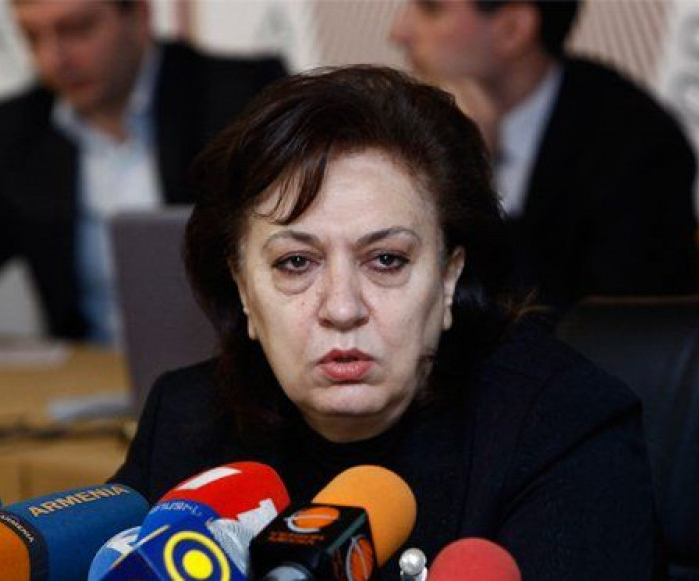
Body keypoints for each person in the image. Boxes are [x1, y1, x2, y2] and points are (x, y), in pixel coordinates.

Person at [112, 66, 657, 579]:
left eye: (387, 260)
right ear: (243, 290)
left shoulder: (561, 429)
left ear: (448, 278)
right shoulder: (185, 423)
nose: (342, 308)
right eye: (296, 263)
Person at [0, 0, 285, 343]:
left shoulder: (241, 97)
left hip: (234, 358)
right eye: (32, 37)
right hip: (91, 367)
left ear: (140, 16)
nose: (54, 58)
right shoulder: (15, 131)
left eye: (77, 29)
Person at [390, 0, 699, 310]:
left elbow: (604, 327)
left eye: (431, 9)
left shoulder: (640, 148)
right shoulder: (402, 123)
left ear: (512, 29)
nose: (399, 32)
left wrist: (477, 178)